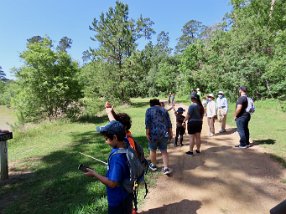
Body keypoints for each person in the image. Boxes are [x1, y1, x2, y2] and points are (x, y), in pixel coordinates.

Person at [84, 121, 133, 214]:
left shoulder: (117, 158)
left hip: (118, 200)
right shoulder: (125, 143)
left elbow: (112, 184)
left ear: (115, 137)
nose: (105, 141)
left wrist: (95, 174)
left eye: (107, 139)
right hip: (127, 194)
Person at [145, 98, 173, 175]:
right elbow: (169, 123)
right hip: (164, 133)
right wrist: (171, 133)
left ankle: (153, 165)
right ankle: (166, 168)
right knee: (164, 150)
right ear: (158, 103)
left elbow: (147, 123)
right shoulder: (164, 110)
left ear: (151, 104)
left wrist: (147, 133)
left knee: (152, 149)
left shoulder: (149, 110)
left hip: (153, 134)